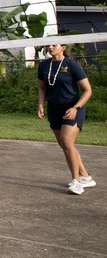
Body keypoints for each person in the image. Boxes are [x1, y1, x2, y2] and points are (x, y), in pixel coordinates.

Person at [37, 43, 95, 194]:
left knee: (67, 141)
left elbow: (88, 90)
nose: (50, 47)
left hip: (72, 108)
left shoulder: (72, 65)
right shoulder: (44, 66)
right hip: (54, 109)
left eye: (54, 45)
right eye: (48, 45)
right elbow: (42, 88)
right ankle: (86, 177)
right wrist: (41, 105)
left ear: (63, 47)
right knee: (65, 145)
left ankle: (76, 182)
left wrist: (76, 108)